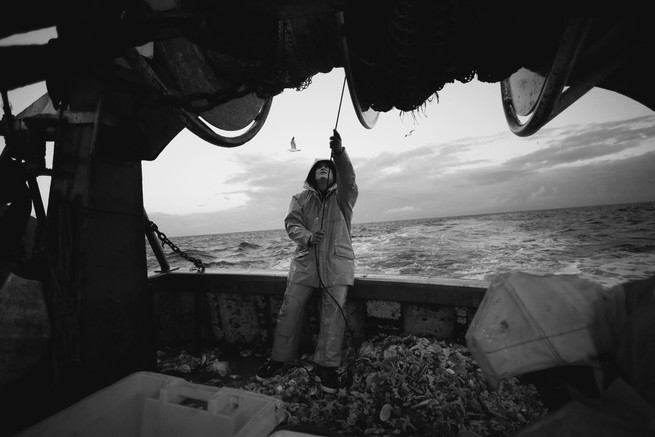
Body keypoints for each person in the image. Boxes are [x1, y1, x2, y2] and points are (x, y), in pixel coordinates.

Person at [256, 129, 358, 394]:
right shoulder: (299, 199)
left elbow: (350, 179)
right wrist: (307, 237)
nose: (324, 171)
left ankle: (327, 366)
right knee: (289, 310)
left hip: (336, 266)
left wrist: (338, 152)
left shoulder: (343, 198)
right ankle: (279, 359)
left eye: (329, 168)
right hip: (304, 264)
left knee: (333, 315)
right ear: (312, 175)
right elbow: (292, 224)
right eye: (319, 168)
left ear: (334, 175)